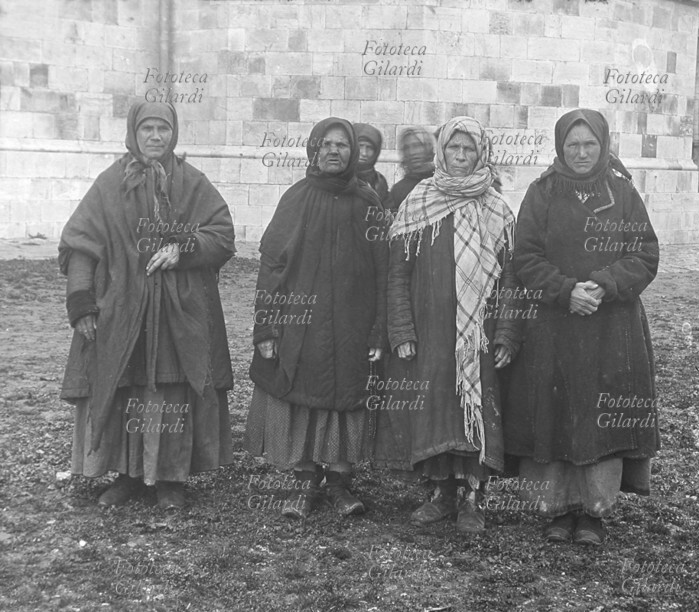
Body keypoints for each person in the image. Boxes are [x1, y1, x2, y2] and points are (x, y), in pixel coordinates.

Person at [59, 101, 236, 509]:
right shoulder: (109, 184)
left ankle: (171, 478)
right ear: (133, 132)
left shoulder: (192, 182)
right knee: (126, 385)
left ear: (174, 133)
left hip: (180, 310)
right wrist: (82, 303)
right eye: (147, 129)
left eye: (163, 129)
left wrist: (183, 248)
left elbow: (222, 235)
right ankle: (128, 475)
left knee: (171, 389)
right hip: (120, 309)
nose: (155, 136)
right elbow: (80, 245)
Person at [506, 108, 660, 545]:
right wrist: (564, 290)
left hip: (611, 325)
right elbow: (526, 257)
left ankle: (594, 511)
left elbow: (645, 255)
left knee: (601, 413)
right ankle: (555, 509)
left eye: (589, 144)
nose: (580, 152)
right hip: (553, 325)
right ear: (560, 146)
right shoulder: (542, 192)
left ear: (603, 145)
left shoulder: (624, 192)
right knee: (554, 412)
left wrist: (604, 285)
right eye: (572, 144)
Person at [373, 116, 520, 534]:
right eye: (453, 148)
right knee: (436, 406)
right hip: (430, 330)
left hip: (479, 332)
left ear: (481, 154)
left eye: (468, 149)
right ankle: (439, 493)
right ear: (441, 152)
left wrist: (507, 332)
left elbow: (511, 279)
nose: (460, 156)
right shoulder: (418, 202)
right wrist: (401, 329)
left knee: (474, 405)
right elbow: (397, 273)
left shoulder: (497, 209)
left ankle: (473, 496)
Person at [246, 117, 387, 519]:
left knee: (347, 395)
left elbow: (384, 269)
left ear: (354, 152)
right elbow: (272, 266)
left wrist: (378, 329)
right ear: (313, 149)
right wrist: (267, 327)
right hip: (299, 321)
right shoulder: (296, 198)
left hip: (352, 324)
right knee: (303, 393)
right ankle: (306, 481)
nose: (333, 151)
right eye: (325, 144)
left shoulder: (367, 202)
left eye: (342, 145)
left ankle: (340, 483)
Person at [385, 126, 435, 212]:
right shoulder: (398, 190)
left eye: (416, 146)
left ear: (427, 147)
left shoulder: (442, 183)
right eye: (406, 148)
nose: (412, 152)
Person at [354, 123, 389, 203]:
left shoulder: (380, 182)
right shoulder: (340, 178)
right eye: (360, 146)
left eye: (369, 148)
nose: (364, 153)